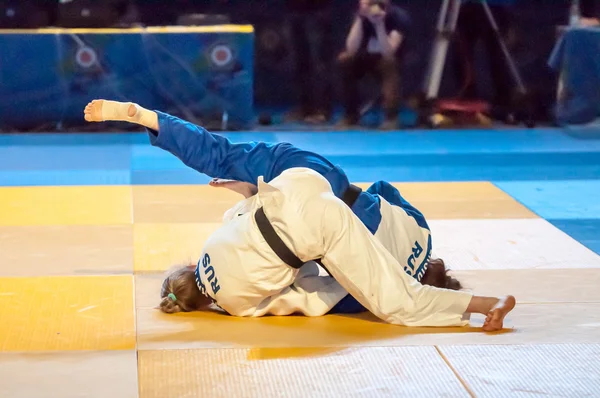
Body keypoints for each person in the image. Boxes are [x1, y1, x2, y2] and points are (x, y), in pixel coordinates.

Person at [84, 99, 516, 331]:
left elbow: (307, 296)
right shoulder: (211, 245)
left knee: (395, 302)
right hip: (301, 178)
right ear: (189, 269)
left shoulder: (234, 305)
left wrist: (353, 289)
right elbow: (248, 213)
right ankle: (147, 117)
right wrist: (247, 190)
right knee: (222, 155)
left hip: (328, 223)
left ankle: (487, 305)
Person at [338, 0, 411, 130]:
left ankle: (391, 116)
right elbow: (351, 48)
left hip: (388, 59)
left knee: (389, 64)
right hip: (364, 58)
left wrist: (379, 25)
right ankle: (351, 115)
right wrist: (360, 19)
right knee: (345, 60)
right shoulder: (359, 16)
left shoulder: (398, 17)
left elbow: (388, 51)